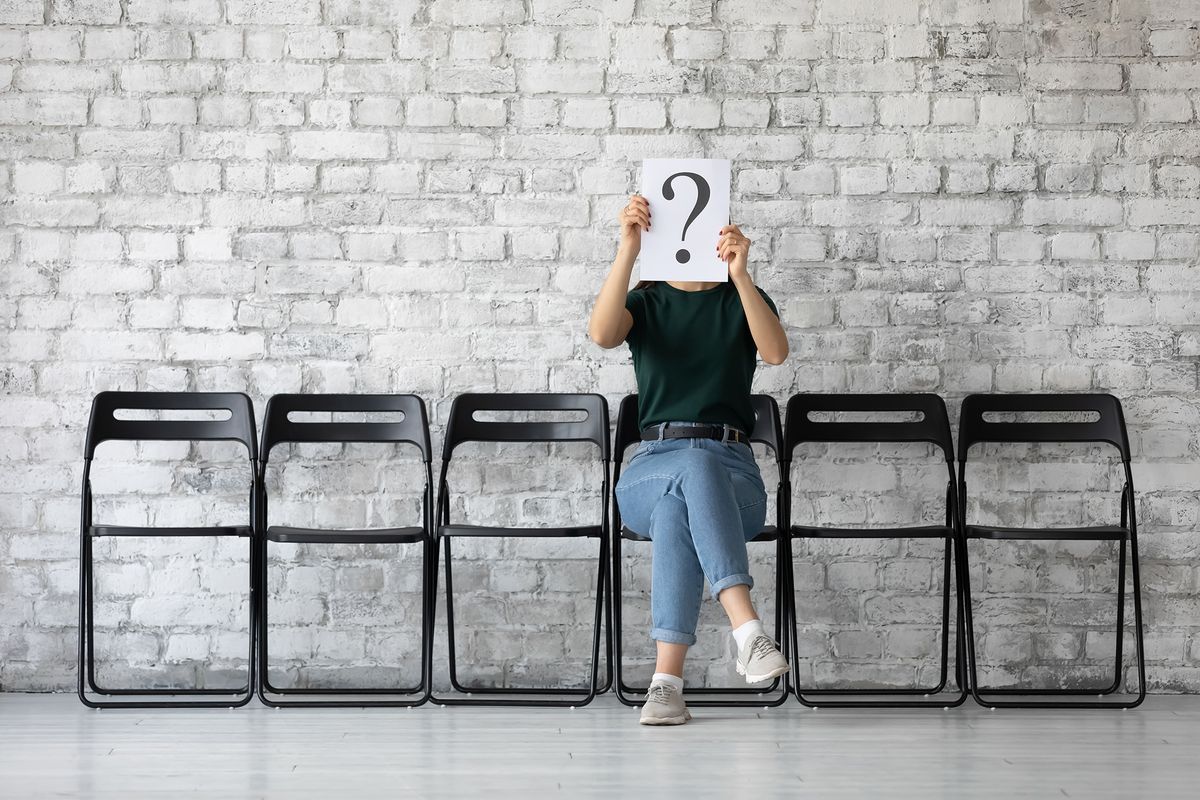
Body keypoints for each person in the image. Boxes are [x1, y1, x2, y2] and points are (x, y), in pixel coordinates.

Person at [587, 193, 790, 725]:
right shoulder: (647, 302)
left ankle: (665, 685)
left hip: (734, 474)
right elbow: (602, 334)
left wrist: (742, 276)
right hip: (653, 464)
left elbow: (775, 353)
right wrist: (628, 250)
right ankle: (747, 629)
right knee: (689, 470)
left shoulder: (739, 298)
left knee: (681, 504)